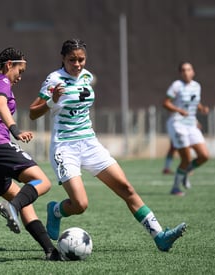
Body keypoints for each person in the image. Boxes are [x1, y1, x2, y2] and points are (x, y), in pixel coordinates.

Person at [29, 39, 186, 252]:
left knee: (126, 188)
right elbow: (32, 112)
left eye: (81, 59)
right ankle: (56, 211)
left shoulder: (87, 76)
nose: (77, 64)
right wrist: (51, 101)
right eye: (72, 60)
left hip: (90, 144)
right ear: (63, 59)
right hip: (65, 147)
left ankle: (160, 236)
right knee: (80, 205)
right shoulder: (54, 79)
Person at [0, 47, 60, 260]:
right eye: (20, 70)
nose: (20, 76)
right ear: (9, 64)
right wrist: (15, 130)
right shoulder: (2, 81)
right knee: (43, 182)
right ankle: (12, 207)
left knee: (23, 199)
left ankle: (50, 251)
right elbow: (1, 105)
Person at [162, 62, 209, 196]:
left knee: (204, 156)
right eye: (183, 70)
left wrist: (202, 108)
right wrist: (179, 110)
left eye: (188, 69)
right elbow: (165, 103)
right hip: (177, 124)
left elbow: (194, 101)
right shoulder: (177, 85)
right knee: (186, 159)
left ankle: (186, 172)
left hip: (191, 124)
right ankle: (175, 188)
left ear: (193, 72)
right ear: (180, 73)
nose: (186, 72)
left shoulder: (197, 86)